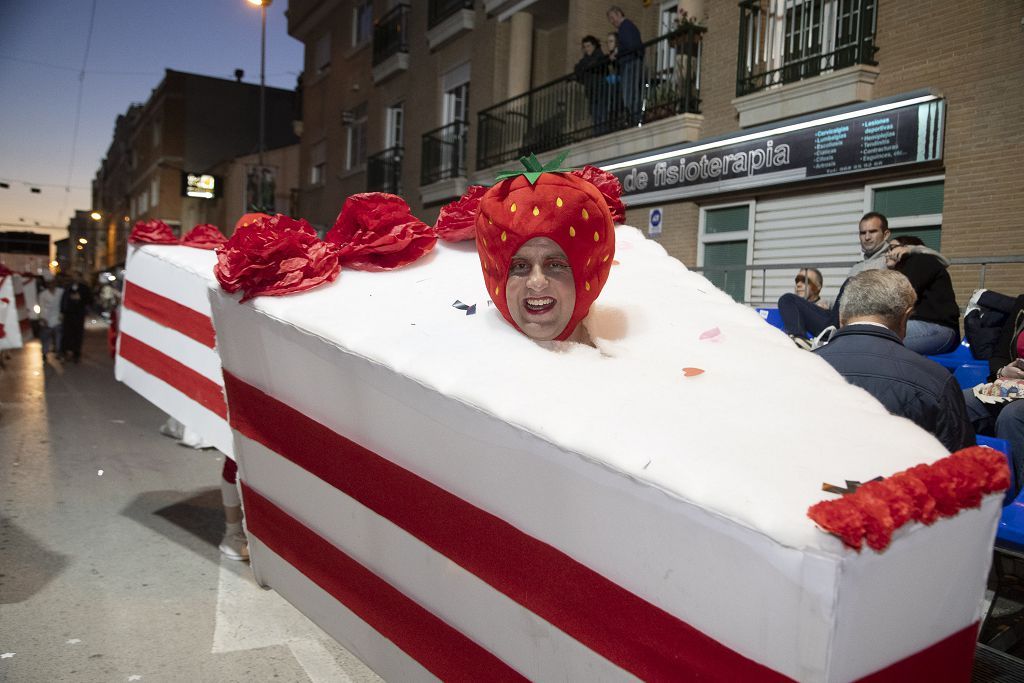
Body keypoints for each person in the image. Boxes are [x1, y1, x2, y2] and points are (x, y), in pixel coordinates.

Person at [814, 269, 974, 453]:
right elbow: (961, 468)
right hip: (899, 480)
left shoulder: (799, 367)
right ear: (905, 318)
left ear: (842, 317)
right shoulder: (936, 379)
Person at [475, 157, 616, 343]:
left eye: (555, 264)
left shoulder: (624, 365)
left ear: (588, 274)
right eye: (519, 266)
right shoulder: (456, 368)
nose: (536, 282)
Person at [778, 212, 892, 344]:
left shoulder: (890, 260)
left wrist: (910, 250)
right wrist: (827, 303)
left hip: (860, 322)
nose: (866, 237)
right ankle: (800, 340)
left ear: (886, 234)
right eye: (862, 233)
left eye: (872, 231)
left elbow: (921, 254)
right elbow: (842, 298)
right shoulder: (857, 267)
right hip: (835, 320)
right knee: (787, 299)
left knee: (852, 282)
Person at [963, 294, 1024, 485]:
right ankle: (959, 484)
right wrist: (1003, 370)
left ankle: (1016, 493)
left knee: (1012, 416)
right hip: (1014, 383)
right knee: (959, 401)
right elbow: (999, 355)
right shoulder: (1022, 303)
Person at [883, 235, 960, 355]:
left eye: (892, 248)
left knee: (876, 338)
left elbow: (899, 297)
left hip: (938, 329)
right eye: (887, 250)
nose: (888, 253)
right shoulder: (908, 268)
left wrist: (911, 251)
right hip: (920, 327)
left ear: (906, 247)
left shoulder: (921, 260)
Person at [607, 6, 643, 126]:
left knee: (629, 93)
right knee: (630, 92)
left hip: (630, 62)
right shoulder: (627, 27)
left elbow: (630, 45)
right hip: (630, 62)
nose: (612, 22)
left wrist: (617, 52)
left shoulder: (625, 26)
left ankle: (634, 118)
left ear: (619, 14)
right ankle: (633, 117)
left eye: (612, 18)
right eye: (610, 20)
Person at [574, 35, 608, 135]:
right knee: (594, 114)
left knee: (601, 114)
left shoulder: (599, 57)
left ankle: (602, 133)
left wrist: (586, 69)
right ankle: (598, 133)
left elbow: (596, 67)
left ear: (594, 46)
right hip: (591, 91)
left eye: (588, 46)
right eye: (584, 47)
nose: (586, 49)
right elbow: (578, 70)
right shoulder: (585, 60)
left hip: (600, 89)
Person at [60, 270, 92, 363]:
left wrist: (80, 299)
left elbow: (89, 300)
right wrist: (62, 312)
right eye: (73, 276)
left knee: (78, 334)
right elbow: (64, 300)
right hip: (68, 314)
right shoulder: (68, 287)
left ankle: (76, 353)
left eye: (76, 276)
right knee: (67, 333)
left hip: (79, 314)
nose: (75, 278)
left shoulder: (84, 288)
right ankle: (65, 352)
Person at [37, 277, 63, 360]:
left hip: (58, 318)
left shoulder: (61, 292)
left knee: (59, 337)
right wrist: (42, 318)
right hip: (46, 318)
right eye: (49, 283)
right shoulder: (43, 294)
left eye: (52, 283)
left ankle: (59, 352)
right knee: (45, 338)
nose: (51, 284)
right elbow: (41, 306)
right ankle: (44, 353)